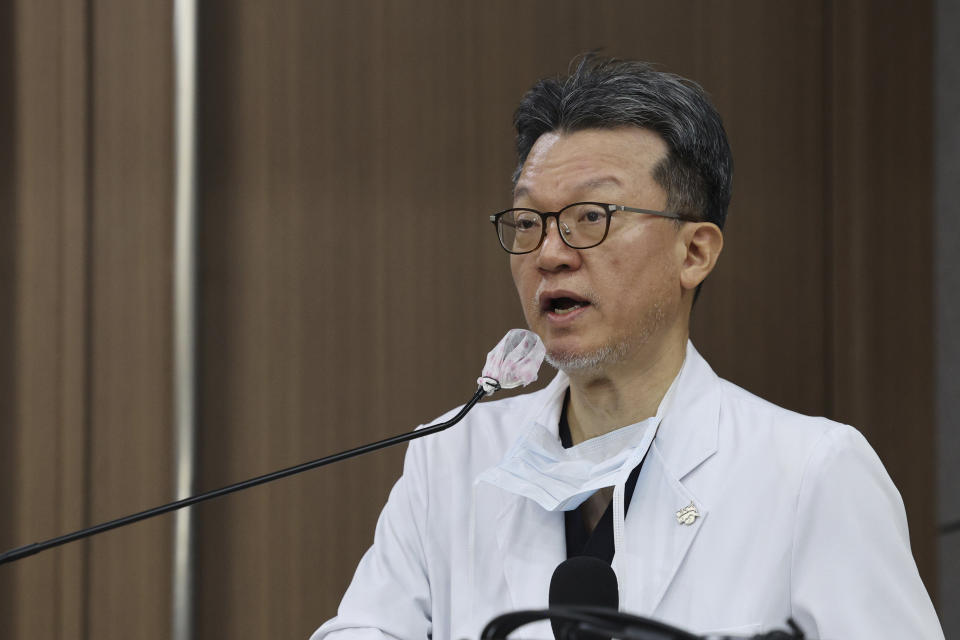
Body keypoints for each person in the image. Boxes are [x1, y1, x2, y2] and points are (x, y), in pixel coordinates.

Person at [312, 56, 943, 640]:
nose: (550, 254)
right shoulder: (450, 459)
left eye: (592, 217)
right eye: (528, 221)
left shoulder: (811, 473)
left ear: (693, 252)